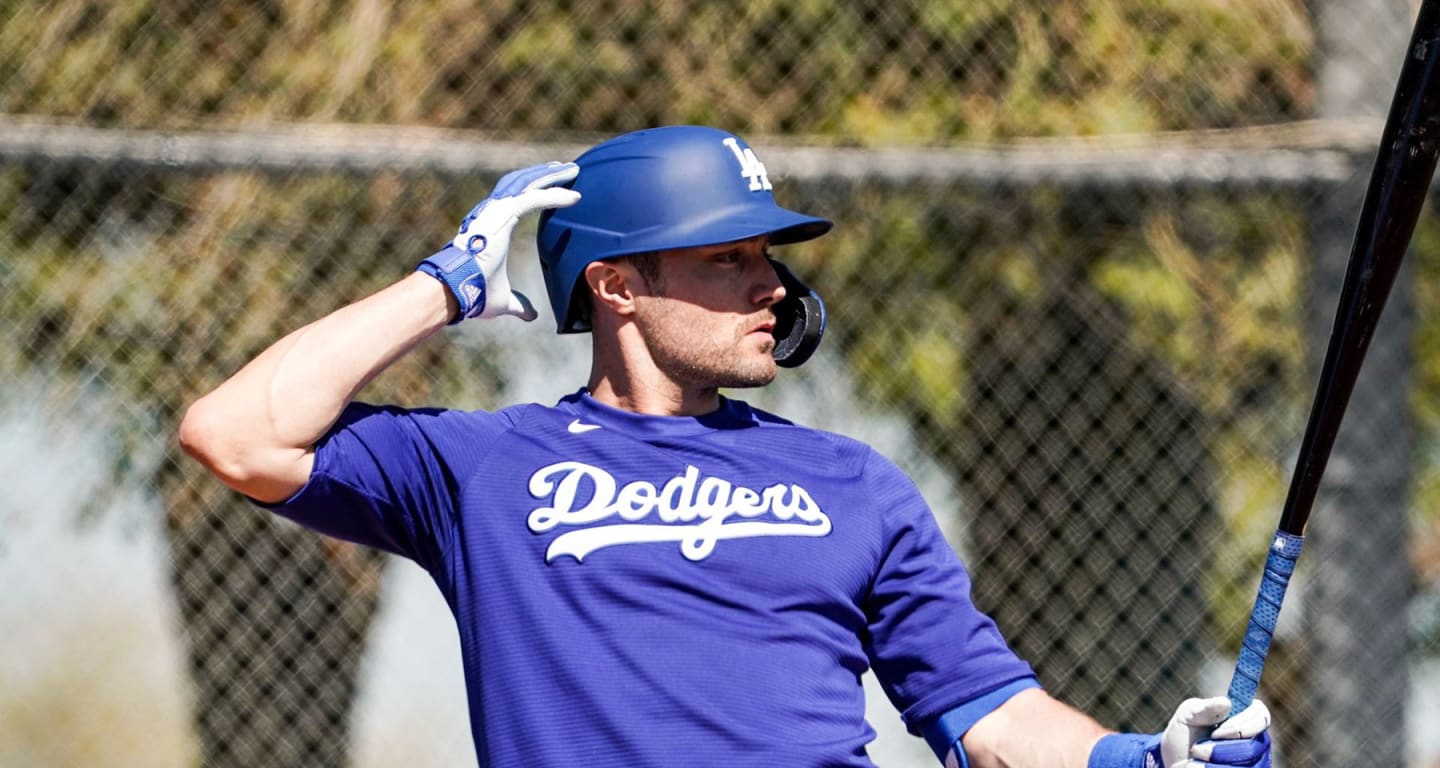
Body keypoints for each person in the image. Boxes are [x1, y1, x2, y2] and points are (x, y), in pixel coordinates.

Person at [180, 125, 1273, 768]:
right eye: (726, 259)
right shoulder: (482, 468)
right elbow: (234, 434)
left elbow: (990, 717)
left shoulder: (854, 485)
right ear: (615, 284)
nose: (772, 286)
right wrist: (445, 287)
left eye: (770, 258)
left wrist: (1144, 758)